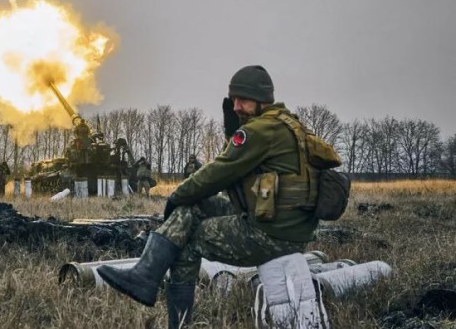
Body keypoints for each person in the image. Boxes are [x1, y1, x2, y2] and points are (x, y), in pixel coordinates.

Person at [98, 65, 325, 328]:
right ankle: (145, 275)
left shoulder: (260, 130)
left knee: (188, 241)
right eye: (233, 100)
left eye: (243, 100)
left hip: (272, 235)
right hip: (288, 226)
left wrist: (176, 197)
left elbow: (220, 171)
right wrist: (231, 134)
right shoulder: (286, 124)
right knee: (193, 206)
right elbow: (241, 167)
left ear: (262, 99)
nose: (236, 106)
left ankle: (174, 317)